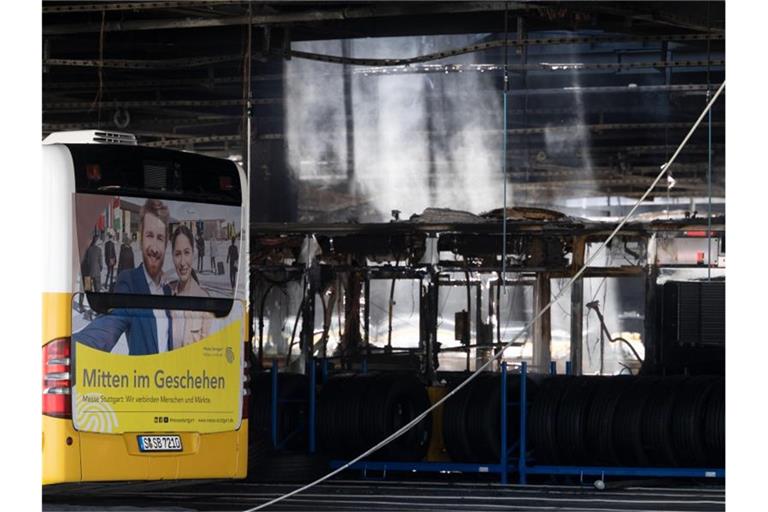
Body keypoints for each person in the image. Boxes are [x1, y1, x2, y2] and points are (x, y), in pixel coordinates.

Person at [74, 199, 173, 355]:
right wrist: (64, 350)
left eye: (160, 238)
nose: (154, 247)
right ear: (141, 241)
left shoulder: (169, 289)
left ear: (166, 243)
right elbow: (106, 328)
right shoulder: (130, 284)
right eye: (149, 235)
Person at [169, 225, 213, 349]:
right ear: (172, 256)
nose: (182, 262)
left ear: (193, 254)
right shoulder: (166, 294)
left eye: (186, 252)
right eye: (177, 254)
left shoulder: (205, 300)